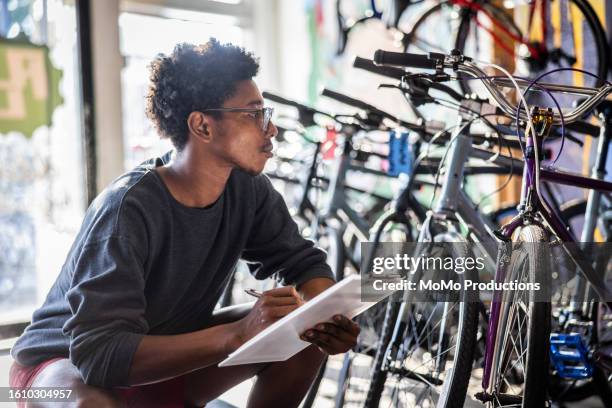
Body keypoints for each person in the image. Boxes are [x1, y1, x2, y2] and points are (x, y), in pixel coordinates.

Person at [9, 39, 360, 408]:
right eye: (254, 114)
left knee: (300, 330)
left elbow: (303, 263)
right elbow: (99, 356)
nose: (270, 130)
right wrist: (236, 335)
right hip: (58, 368)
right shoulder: (128, 209)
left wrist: (325, 317)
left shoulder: (248, 189)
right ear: (202, 126)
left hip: (158, 361)